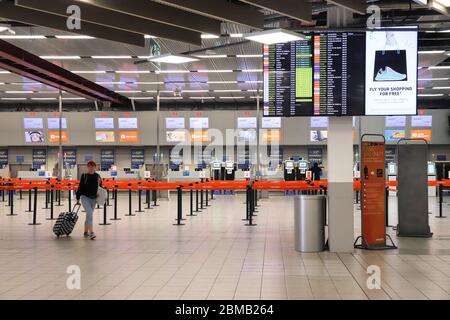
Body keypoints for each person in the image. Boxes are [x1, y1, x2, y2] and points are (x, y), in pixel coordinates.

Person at [76, 160, 102, 240]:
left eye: (93, 167)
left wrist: (99, 194)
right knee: (90, 213)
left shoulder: (98, 176)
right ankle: (91, 232)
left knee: (88, 215)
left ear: (95, 167)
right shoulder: (84, 176)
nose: (91, 168)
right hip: (85, 198)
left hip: (94, 199)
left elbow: (100, 188)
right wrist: (77, 198)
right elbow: (80, 188)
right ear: (87, 167)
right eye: (89, 167)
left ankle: (85, 231)